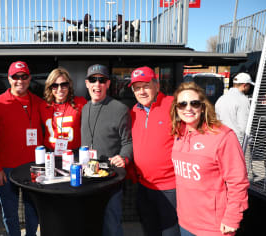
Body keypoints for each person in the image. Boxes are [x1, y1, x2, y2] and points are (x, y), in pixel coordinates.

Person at [170, 82, 249, 236]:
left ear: (203, 106)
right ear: (176, 108)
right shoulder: (178, 134)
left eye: (194, 103)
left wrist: (233, 218)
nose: (188, 108)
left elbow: (238, 181)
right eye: (182, 104)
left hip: (213, 227)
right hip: (185, 222)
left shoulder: (223, 136)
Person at [0, 61, 42, 236]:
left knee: (32, 208)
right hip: (7, 168)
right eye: (15, 77)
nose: (20, 80)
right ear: (9, 79)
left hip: (33, 167)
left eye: (24, 76)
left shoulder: (39, 102)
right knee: (10, 212)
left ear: (30, 78)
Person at [81, 64, 133, 236]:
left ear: (108, 84)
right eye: (93, 80)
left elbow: (128, 142)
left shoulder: (120, 109)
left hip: (110, 178)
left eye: (102, 80)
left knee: (111, 224)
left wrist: (124, 157)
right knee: (91, 222)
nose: (97, 84)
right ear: (87, 83)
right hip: (88, 176)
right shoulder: (84, 108)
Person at [129, 66, 180, 236]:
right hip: (144, 187)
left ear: (157, 86)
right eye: (137, 88)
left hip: (171, 188)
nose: (141, 92)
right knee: (150, 230)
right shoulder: (134, 111)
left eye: (146, 86)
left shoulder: (173, 105)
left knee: (170, 233)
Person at [40, 68, 87, 155]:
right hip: (50, 154)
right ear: (50, 87)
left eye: (64, 84)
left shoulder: (80, 103)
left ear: (69, 85)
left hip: (74, 154)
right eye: (55, 85)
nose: (60, 89)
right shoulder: (43, 106)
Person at [215, 72, 254, 145]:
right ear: (245, 85)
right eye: (249, 86)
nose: (249, 89)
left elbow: (217, 121)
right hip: (237, 143)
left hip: (221, 140)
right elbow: (244, 127)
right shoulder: (243, 100)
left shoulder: (221, 98)